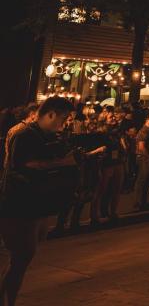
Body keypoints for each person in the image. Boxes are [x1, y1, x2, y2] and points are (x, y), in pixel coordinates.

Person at [0, 98, 83, 305]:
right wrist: (62, 162)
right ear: (51, 114)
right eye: (64, 119)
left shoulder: (43, 134)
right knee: (21, 256)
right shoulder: (23, 133)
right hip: (19, 204)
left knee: (24, 257)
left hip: (37, 203)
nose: (65, 124)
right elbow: (22, 166)